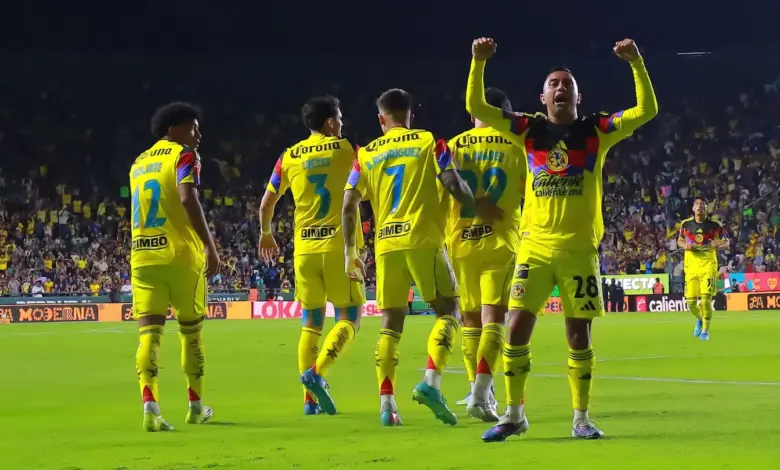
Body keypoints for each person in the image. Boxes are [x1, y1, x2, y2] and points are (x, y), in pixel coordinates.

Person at [466, 37, 658, 441]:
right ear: (543, 96)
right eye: (553, 83)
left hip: (578, 250)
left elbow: (647, 111)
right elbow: (478, 108)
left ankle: (581, 419)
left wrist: (636, 63)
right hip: (533, 248)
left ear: (577, 96)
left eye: (567, 83)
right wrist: (478, 62)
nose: (560, 87)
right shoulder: (529, 130)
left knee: (578, 335)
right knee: (515, 330)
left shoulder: (596, 130)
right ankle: (514, 415)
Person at [342, 88, 501, 426]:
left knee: (390, 325)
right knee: (449, 312)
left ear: (381, 119)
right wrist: (477, 206)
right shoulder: (430, 143)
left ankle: (387, 406)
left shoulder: (365, 154)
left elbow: (348, 204)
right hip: (424, 239)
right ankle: (431, 382)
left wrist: (350, 252)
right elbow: (453, 183)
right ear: (410, 115)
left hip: (386, 245)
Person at [259, 96, 366, 416]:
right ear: (330, 122)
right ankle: (317, 373)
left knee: (311, 323)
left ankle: (309, 401)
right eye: (340, 118)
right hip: (338, 248)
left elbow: (266, 204)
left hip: (304, 250)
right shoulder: (347, 149)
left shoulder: (288, 156)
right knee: (349, 318)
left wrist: (266, 232)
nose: (342, 123)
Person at [130, 102, 219, 432]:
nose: (198, 134)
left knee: (148, 335)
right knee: (191, 332)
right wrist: (210, 245)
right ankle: (195, 407)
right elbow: (186, 197)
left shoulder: (138, 163)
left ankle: (150, 408)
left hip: (143, 255)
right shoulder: (183, 155)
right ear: (173, 130)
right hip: (181, 256)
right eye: (193, 127)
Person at [446, 87, 525, 422]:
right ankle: (481, 395)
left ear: (472, 114)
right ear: (506, 114)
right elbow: (530, 191)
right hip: (500, 241)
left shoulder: (453, 145)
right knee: (494, 318)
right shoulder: (517, 146)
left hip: (460, 241)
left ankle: (475, 389)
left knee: (469, 319)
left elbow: (444, 187)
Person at [677, 197, 727, 340]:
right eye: (697, 204)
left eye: (702, 204)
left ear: (706, 208)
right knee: (691, 302)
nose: (699, 206)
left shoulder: (714, 225)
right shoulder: (686, 224)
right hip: (691, 267)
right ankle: (700, 319)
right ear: (693, 208)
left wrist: (718, 244)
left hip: (708, 266)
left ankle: (705, 331)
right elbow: (679, 241)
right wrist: (684, 246)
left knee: (705, 301)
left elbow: (726, 242)